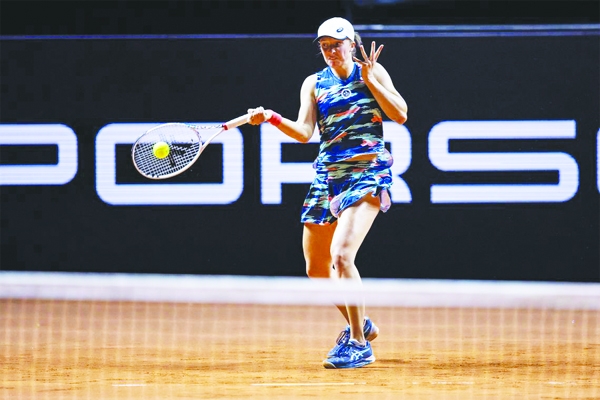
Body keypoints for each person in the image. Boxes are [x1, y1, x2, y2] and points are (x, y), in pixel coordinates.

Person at [247, 17, 408, 369]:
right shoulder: (313, 83)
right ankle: (360, 321)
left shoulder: (373, 72)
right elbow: (305, 132)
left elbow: (401, 114)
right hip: (328, 177)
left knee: (342, 256)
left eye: (337, 44)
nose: (331, 51)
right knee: (317, 268)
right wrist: (272, 117)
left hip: (367, 173)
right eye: (325, 46)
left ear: (352, 43)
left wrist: (370, 81)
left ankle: (358, 343)